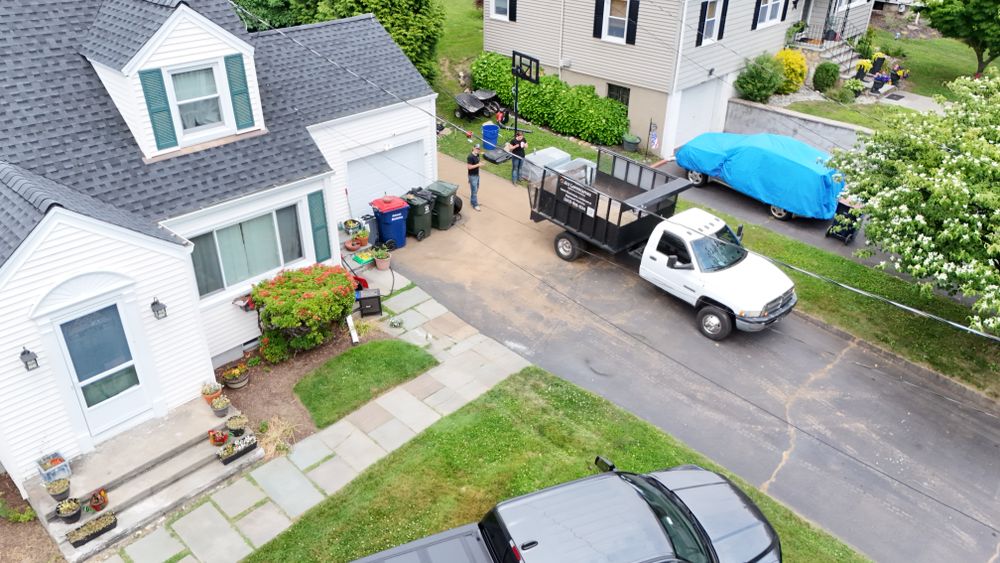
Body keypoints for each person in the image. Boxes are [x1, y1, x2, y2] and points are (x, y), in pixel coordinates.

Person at [467, 144, 484, 211]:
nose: (478, 150)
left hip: (477, 175)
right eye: (476, 148)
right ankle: (475, 205)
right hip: (472, 176)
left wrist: (481, 163)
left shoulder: (477, 155)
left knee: (476, 189)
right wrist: (478, 165)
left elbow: (477, 162)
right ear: (473, 148)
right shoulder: (470, 157)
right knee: (474, 191)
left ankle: (473, 201)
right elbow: (469, 167)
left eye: (479, 149)